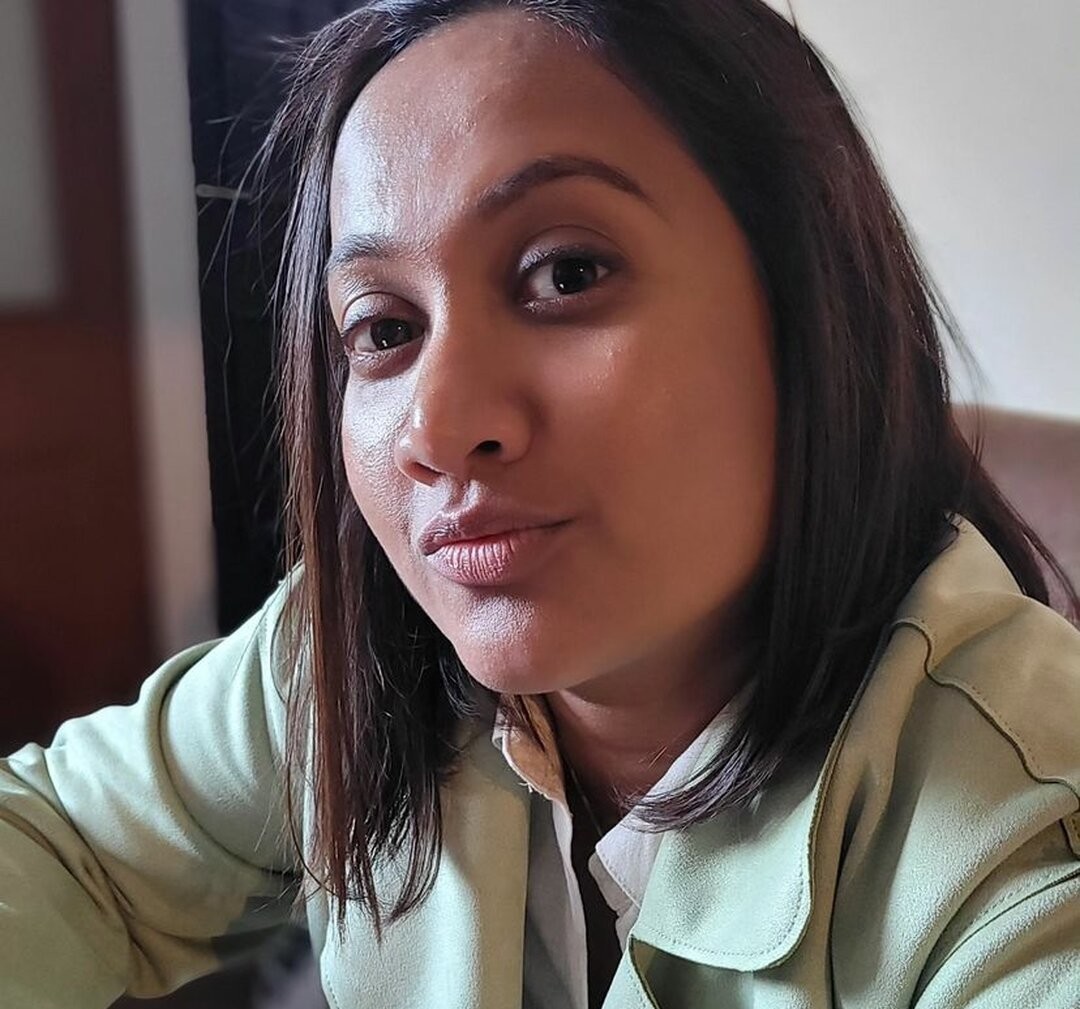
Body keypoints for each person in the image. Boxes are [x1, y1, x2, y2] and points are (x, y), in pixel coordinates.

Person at [2, 2, 1078, 1007]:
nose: (435, 427)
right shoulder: (347, 656)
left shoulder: (1024, 853)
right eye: (384, 329)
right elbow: (61, 840)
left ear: (813, 303)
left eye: (566, 274)